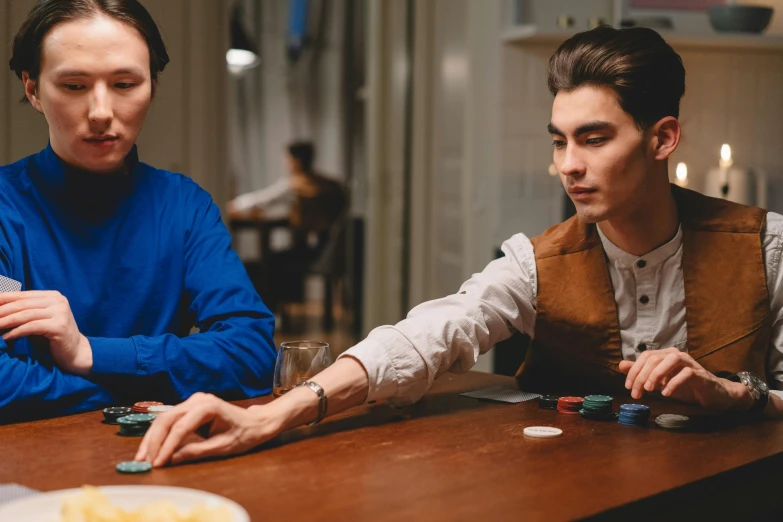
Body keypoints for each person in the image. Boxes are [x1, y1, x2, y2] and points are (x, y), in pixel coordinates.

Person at [137, 25, 783, 467]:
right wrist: (274, 417)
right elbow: (430, 333)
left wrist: (733, 395)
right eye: (557, 141)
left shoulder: (767, 246)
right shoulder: (535, 261)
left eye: (592, 138)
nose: (567, 165)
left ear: (661, 138)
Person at [0, 0, 276, 423]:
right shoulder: (5, 208)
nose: (101, 112)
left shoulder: (185, 207)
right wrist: (141, 385)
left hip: (163, 458)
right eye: (74, 86)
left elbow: (251, 353)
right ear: (32, 88)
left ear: (152, 86)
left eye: (125, 84)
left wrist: (89, 352)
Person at [229, 141, 346, 233]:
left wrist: (235, 206)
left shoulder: (296, 185)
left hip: (306, 248)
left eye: (287, 159)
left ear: (296, 161)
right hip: (331, 247)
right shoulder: (330, 185)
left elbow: (263, 200)